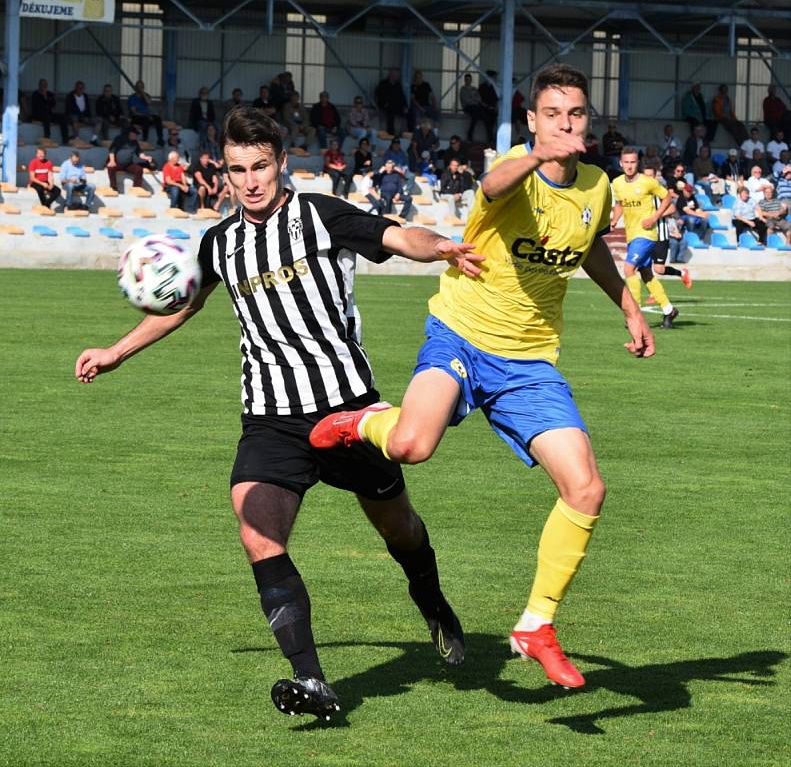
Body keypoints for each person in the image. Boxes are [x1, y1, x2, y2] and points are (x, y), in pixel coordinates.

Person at [74, 105, 478, 721]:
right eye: (239, 170)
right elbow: (181, 305)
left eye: (261, 166)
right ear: (226, 176)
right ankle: (312, 680)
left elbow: (397, 235)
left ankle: (434, 606)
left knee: (399, 529)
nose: (252, 180)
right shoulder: (219, 243)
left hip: (348, 410)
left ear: (282, 163)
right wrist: (117, 351)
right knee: (257, 531)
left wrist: (442, 246)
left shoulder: (319, 215)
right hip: (270, 418)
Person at [310, 63, 656, 690]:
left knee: (586, 488)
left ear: (588, 120)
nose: (565, 124)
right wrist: (536, 155)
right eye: (552, 114)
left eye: (575, 114)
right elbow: (495, 186)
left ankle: (536, 625)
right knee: (412, 446)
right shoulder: (514, 171)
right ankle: (365, 421)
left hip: (529, 364)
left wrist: (630, 307)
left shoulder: (599, 185)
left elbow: (590, 249)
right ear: (532, 121)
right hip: (462, 335)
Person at [612, 147, 679, 327]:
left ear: (637, 163)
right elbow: (619, 203)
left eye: (633, 162)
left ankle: (635, 314)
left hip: (647, 234)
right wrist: (615, 219)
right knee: (646, 274)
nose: (629, 166)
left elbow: (667, 198)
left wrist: (654, 217)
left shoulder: (647, 182)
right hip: (632, 235)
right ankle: (668, 310)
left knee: (628, 269)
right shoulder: (617, 183)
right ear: (620, 163)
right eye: (626, 162)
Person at [641, 165, 691, 289]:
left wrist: (655, 217)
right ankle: (655, 292)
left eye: (650, 175)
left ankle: (682, 273)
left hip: (660, 235)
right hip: (645, 234)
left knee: (659, 269)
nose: (648, 178)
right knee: (642, 266)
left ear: (655, 177)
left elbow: (672, 208)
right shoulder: (639, 192)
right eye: (645, 175)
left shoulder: (661, 192)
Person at [106, 127, 154, 192]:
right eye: (135, 134)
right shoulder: (119, 139)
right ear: (130, 133)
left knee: (139, 170)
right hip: (117, 163)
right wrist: (112, 161)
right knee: (111, 168)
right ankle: (113, 187)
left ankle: (137, 188)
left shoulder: (135, 142)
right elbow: (112, 151)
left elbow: (139, 152)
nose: (136, 136)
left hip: (128, 164)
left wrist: (145, 157)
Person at [30, 78, 69, 143]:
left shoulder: (50, 94)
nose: (43, 86)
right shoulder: (35, 94)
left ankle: (65, 138)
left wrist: (45, 97)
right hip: (38, 115)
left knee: (62, 117)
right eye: (42, 84)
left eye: (45, 85)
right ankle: (47, 136)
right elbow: (38, 106)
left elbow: (53, 104)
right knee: (46, 116)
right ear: (39, 85)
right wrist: (45, 101)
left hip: (48, 114)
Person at [128, 80, 164, 146]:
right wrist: (146, 116)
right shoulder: (132, 98)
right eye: (139, 86)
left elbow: (149, 103)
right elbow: (134, 112)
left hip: (147, 116)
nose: (140, 88)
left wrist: (143, 94)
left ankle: (160, 139)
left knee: (157, 118)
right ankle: (145, 139)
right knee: (146, 120)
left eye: (142, 87)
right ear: (136, 87)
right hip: (136, 118)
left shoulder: (145, 96)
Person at [375, 68, 408, 135]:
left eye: (396, 75)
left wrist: (405, 106)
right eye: (393, 75)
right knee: (390, 112)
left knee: (410, 112)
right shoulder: (383, 83)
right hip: (386, 105)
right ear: (390, 75)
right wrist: (384, 102)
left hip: (397, 106)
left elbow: (402, 96)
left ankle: (410, 132)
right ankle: (391, 133)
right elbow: (378, 93)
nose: (395, 77)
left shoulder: (398, 85)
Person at [459, 73, 488, 143]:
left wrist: (473, 98)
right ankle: (469, 135)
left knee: (484, 115)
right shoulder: (463, 89)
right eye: (466, 80)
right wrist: (474, 98)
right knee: (476, 114)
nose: (468, 81)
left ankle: (489, 136)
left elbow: (479, 98)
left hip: (475, 107)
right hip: (467, 107)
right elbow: (466, 101)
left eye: (469, 79)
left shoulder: (474, 89)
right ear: (464, 80)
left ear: (471, 80)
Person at [478, 71, 499, 145]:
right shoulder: (482, 87)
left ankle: (492, 139)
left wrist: (495, 107)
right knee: (488, 122)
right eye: (494, 77)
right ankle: (490, 139)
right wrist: (487, 106)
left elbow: (497, 99)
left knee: (494, 122)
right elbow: (479, 99)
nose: (495, 79)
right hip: (484, 108)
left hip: (492, 108)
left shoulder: (494, 87)